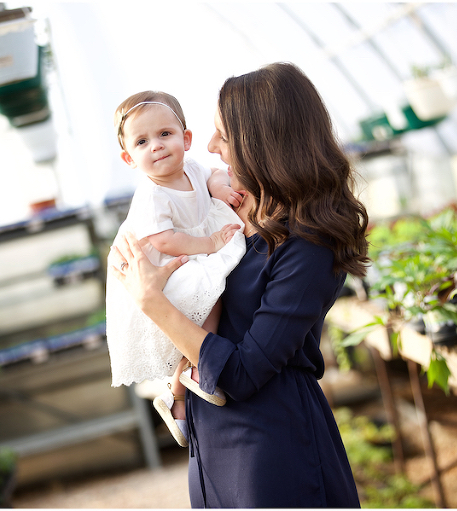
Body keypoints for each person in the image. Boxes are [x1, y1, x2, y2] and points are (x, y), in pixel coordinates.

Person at [111, 62, 369, 508]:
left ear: (264, 144)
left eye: (223, 136)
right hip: (215, 441)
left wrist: (153, 301)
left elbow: (244, 374)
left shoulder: (309, 248)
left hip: (272, 451)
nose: (210, 148)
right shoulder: (249, 218)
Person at [105, 91, 246, 448]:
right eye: (142, 141)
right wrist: (209, 245)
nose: (156, 145)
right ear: (129, 158)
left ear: (186, 139)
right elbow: (166, 241)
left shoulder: (192, 169)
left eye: (165, 134)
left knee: (213, 298)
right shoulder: (152, 194)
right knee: (210, 290)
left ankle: (178, 394)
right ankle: (192, 375)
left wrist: (217, 186)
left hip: (189, 257)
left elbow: (212, 174)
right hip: (166, 268)